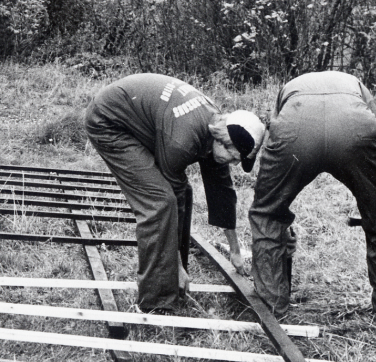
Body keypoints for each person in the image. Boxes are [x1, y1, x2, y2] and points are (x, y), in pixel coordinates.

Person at [85, 73, 266, 314]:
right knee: (160, 203)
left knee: (182, 195)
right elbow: (172, 196)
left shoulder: (216, 126)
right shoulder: (183, 140)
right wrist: (176, 266)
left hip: (144, 117)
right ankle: (156, 303)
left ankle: (173, 278)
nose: (233, 164)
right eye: (233, 157)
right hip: (110, 122)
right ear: (222, 140)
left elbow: (222, 193)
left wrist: (234, 251)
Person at [249, 71, 376, 327]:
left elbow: (274, 127)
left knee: (267, 214)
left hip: (296, 129)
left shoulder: (290, 87)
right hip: (354, 128)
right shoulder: (355, 83)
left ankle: (271, 312)